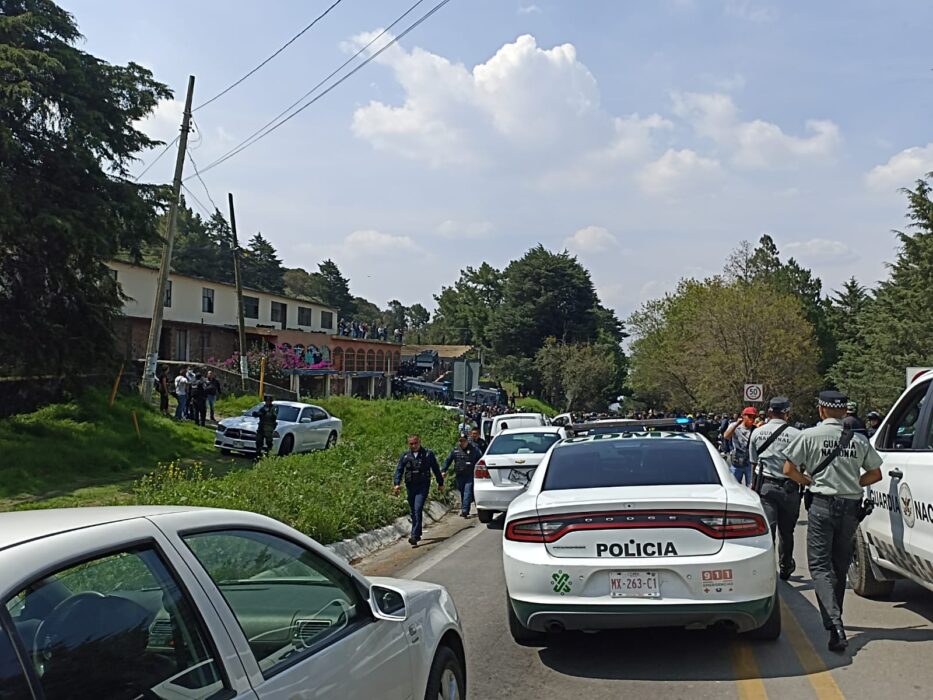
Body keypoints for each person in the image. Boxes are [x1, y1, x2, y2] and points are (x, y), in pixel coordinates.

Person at [782, 390, 883, 652]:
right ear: (844, 412)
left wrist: (807, 482)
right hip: (850, 507)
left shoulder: (809, 436)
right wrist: (853, 483)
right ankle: (836, 619)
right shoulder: (859, 441)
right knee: (839, 565)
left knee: (819, 566)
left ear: (821, 411)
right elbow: (875, 474)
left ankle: (835, 625)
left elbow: (788, 470)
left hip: (822, 505)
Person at [749, 397, 802, 581]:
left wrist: (753, 486)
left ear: (770, 412)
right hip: (789, 487)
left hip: (765, 487)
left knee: (767, 531)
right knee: (787, 532)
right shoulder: (797, 434)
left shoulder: (757, 433)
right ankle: (785, 566)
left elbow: (753, 462)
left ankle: (765, 569)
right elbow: (802, 463)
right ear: (787, 413)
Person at [393, 435, 444, 546]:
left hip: (423, 486)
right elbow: (399, 470)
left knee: (418, 508)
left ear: (419, 442)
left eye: (415, 443)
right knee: (413, 511)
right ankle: (418, 532)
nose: (414, 445)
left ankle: (414, 536)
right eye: (411, 444)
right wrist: (396, 484)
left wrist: (440, 483)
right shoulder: (405, 456)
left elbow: (435, 468)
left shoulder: (427, 454)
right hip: (410, 486)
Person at [443, 433, 483, 518]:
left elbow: (481, 460)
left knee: (467, 492)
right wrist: (443, 470)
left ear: (467, 441)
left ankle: (465, 510)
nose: (462, 442)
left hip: (470, 475)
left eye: (463, 441)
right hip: (459, 475)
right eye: (460, 441)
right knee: (462, 492)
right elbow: (448, 460)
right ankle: (466, 507)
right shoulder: (455, 450)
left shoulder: (474, 449)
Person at [723, 407, 758, 485]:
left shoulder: (755, 429)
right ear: (743, 416)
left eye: (754, 417)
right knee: (733, 485)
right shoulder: (734, 426)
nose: (752, 419)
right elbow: (726, 436)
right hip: (736, 462)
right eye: (749, 416)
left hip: (749, 463)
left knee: (751, 485)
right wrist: (736, 425)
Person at [252, 395, 278, 459]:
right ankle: (258, 455)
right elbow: (258, 413)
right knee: (258, 441)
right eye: (266, 401)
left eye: (269, 401)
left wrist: (266, 413)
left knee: (269, 442)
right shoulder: (262, 408)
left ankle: (268, 454)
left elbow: (274, 416)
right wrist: (256, 414)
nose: (267, 402)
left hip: (269, 428)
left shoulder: (274, 408)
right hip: (261, 427)